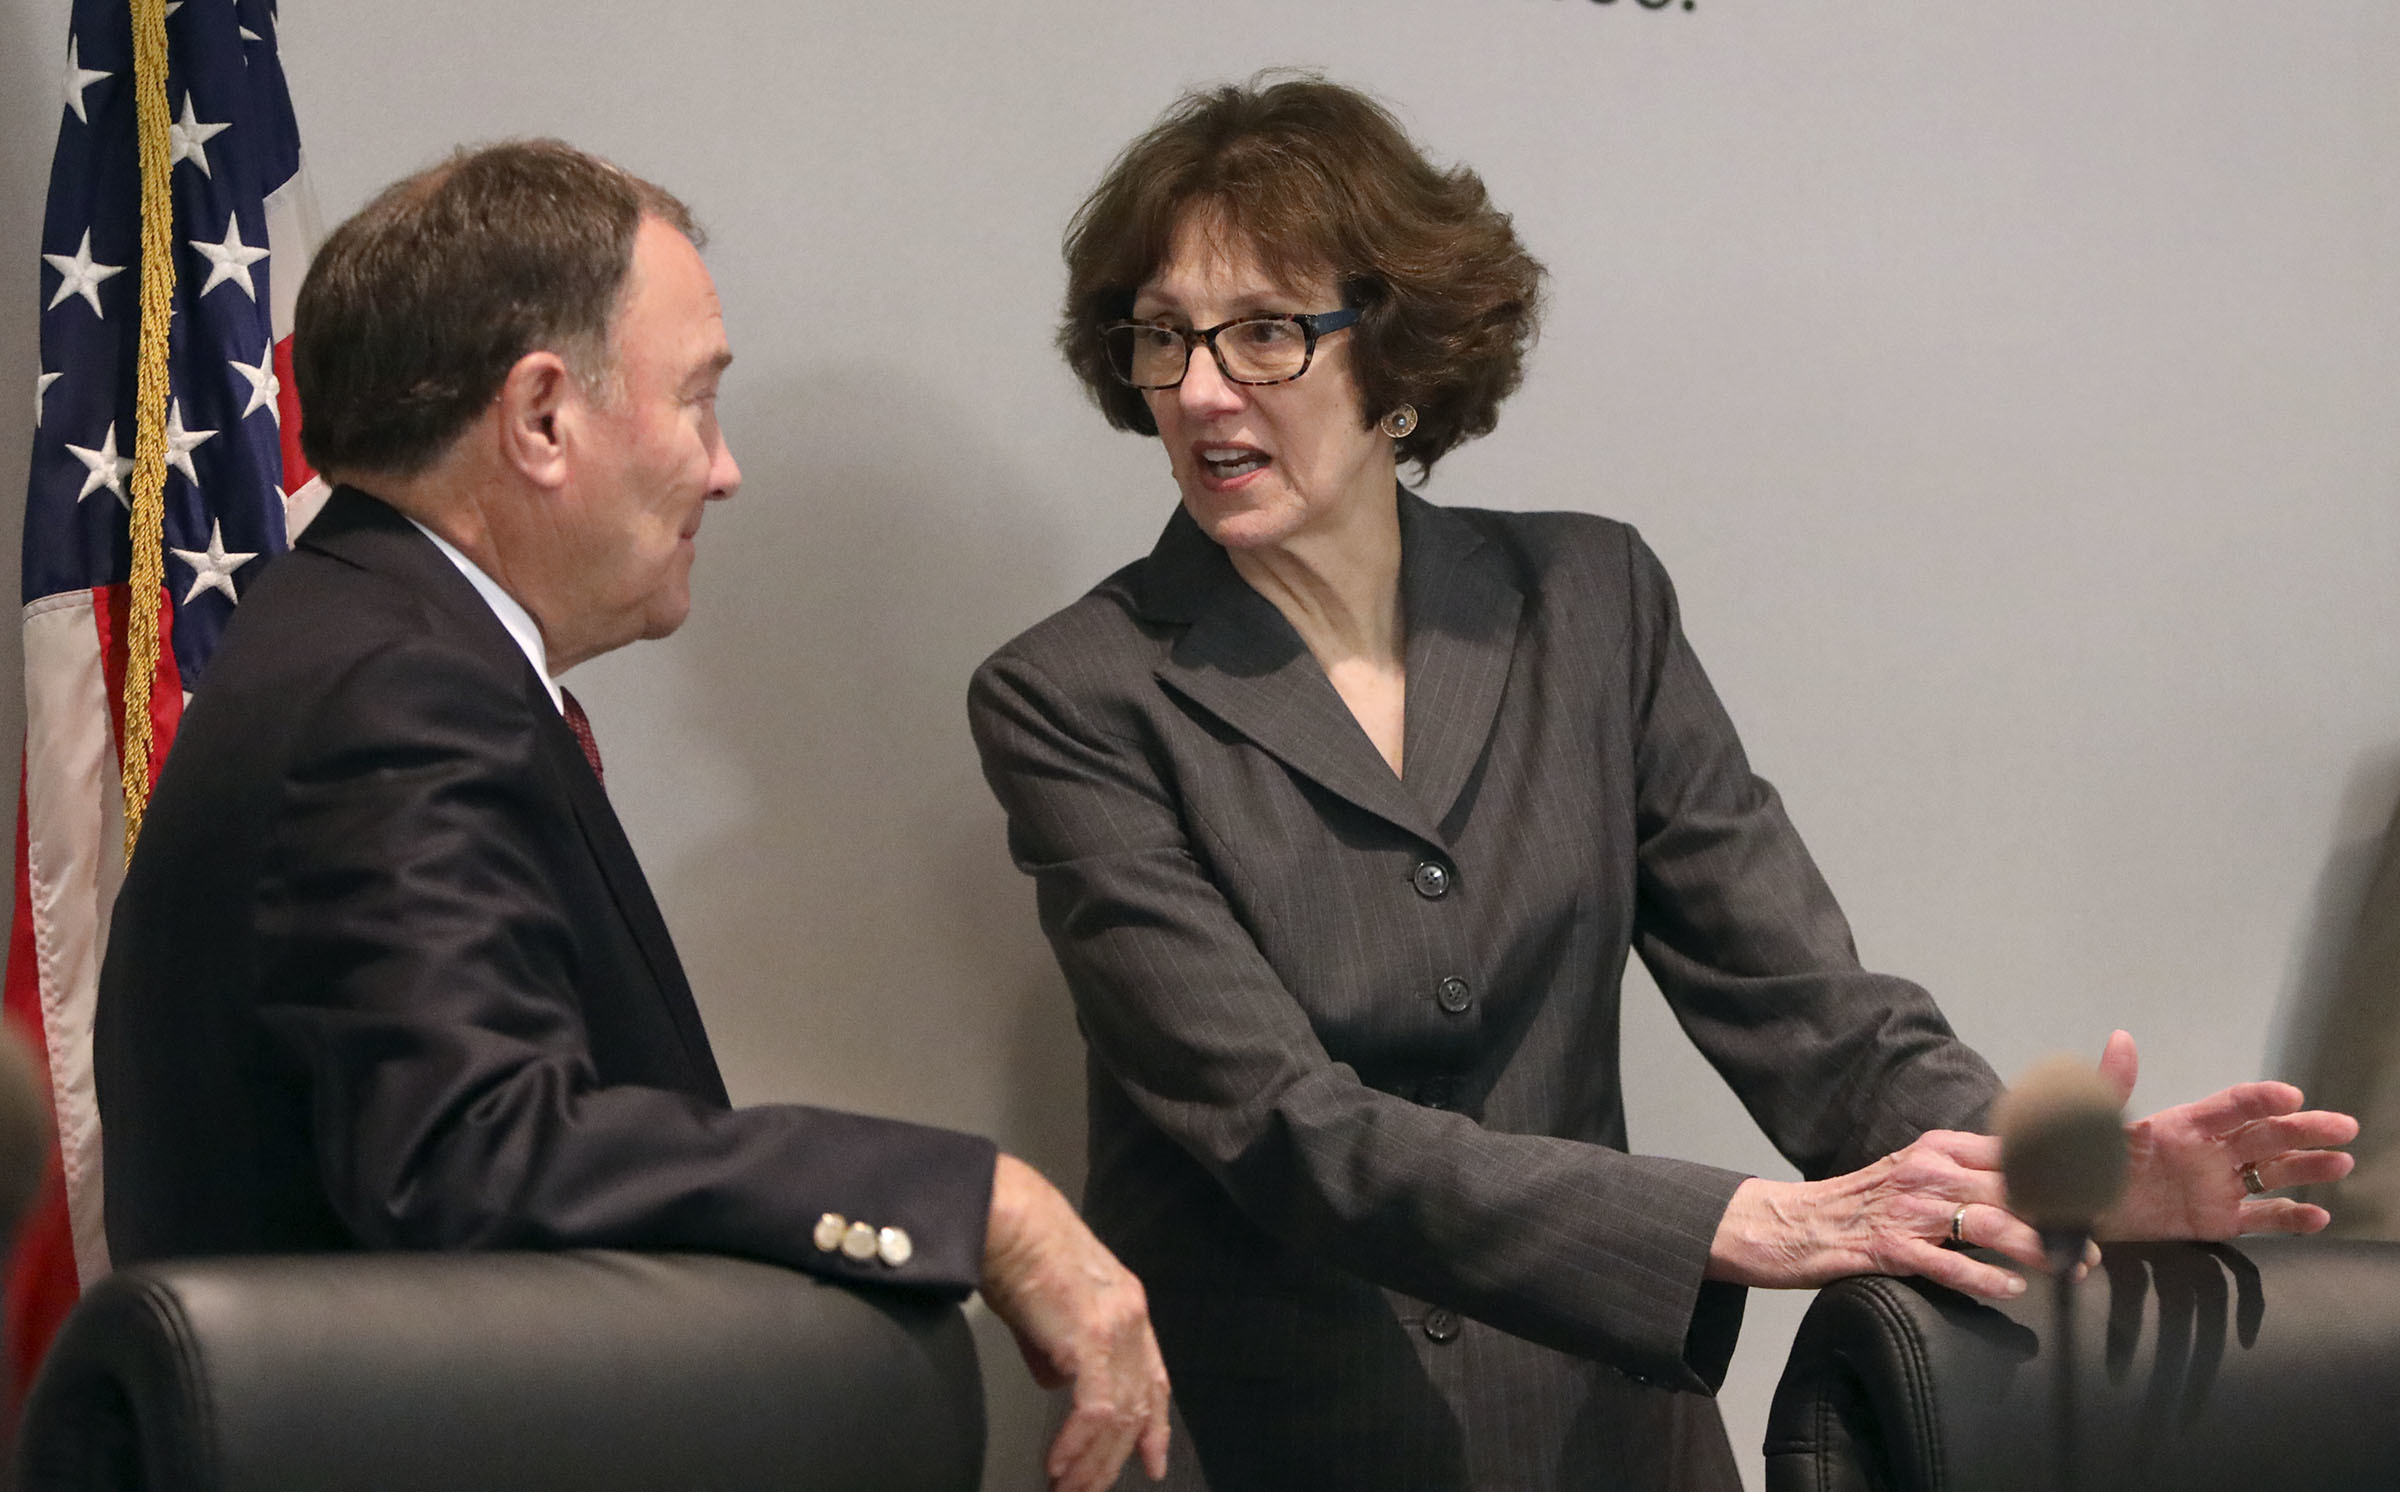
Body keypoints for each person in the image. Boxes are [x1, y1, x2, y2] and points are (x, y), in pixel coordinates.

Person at [967, 76, 2357, 1490]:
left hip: (1604, 1440)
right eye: (1162, 336)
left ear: (1395, 359)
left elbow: (1805, 1006)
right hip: (1278, 1439)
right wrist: (1731, 1222)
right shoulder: (1072, 693)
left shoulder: (1588, 598)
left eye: (1263, 332)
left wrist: (2059, 1182)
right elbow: (1281, 1125)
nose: (1201, 390)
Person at [94, 140, 1167, 1492]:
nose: (725, 471)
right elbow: (483, 1157)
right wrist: (980, 1205)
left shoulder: (357, 643)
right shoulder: (395, 693)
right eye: (700, 402)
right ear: (543, 418)